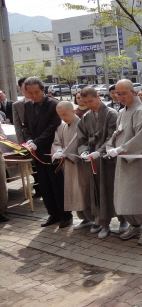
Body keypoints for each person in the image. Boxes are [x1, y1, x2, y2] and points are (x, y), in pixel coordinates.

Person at [106, 79, 142, 245]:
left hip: (137, 161)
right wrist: (109, 146)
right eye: (117, 94)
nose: (120, 97)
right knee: (126, 195)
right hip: (122, 160)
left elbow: (141, 138)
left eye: (124, 93)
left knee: (140, 196)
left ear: (133, 93)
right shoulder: (121, 112)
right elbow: (116, 133)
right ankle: (134, 224)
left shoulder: (141, 111)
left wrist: (120, 149)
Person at [22, 77, 73, 228]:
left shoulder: (53, 104)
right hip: (37, 153)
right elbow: (26, 127)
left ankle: (66, 215)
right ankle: (53, 214)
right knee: (44, 185)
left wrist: (36, 142)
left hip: (52, 151)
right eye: (30, 93)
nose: (34, 95)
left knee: (57, 184)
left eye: (37, 92)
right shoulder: (28, 106)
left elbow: (53, 127)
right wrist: (29, 140)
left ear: (43, 90)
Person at [77, 87, 128, 236]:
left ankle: (123, 220)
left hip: (108, 160)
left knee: (113, 190)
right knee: (97, 192)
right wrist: (84, 151)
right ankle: (103, 223)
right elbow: (82, 138)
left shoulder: (112, 114)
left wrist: (100, 151)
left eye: (91, 101)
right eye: (85, 102)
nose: (89, 104)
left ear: (98, 97)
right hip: (93, 162)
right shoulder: (86, 116)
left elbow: (113, 137)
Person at [52, 101, 94, 228]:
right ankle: (84, 219)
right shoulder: (62, 127)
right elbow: (56, 141)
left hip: (80, 164)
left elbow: (79, 142)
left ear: (73, 111)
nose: (62, 118)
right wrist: (58, 151)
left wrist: (66, 153)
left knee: (84, 190)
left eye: (64, 114)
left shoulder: (82, 124)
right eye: (59, 115)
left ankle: (94, 219)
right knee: (73, 191)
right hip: (68, 165)